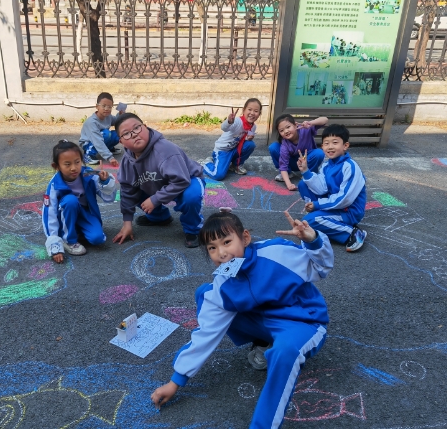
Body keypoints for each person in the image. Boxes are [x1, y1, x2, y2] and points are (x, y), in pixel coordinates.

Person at [151, 209, 333, 428]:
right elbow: (207, 333)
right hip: (266, 322)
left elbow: (321, 267)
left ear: (245, 238)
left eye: (227, 242)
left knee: (285, 352)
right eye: (212, 248)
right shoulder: (224, 281)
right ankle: (264, 342)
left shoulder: (276, 253)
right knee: (206, 295)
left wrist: (313, 241)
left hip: (303, 321)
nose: (221, 253)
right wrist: (176, 381)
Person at [112, 113, 205, 248]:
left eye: (137, 128)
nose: (134, 135)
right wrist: (127, 223)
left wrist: (155, 199)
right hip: (158, 184)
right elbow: (127, 191)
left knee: (191, 196)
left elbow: (181, 181)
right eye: (126, 134)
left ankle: (193, 230)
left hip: (187, 181)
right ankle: (160, 217)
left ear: (145, 127)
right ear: (121, 142)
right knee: (135, 191)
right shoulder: (127, 161)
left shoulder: (165, 149)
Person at [42, 140, 117, 263]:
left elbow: (108, 198)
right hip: (65, 216)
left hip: (85, 214)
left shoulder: (88, 174)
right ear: (56, 166)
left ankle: (77, 231)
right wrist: (55, 244)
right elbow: (49, 214)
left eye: (77, 162)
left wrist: (105, 181)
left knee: (98, 239)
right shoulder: (55, 185)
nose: (73, 168)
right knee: (70, 201)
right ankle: (68, 240)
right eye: (67, 164)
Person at [297, 124, 367, 252]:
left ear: (345, 145)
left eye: (335, 143)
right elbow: (321, 189)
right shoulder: (326, 165)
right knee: (303, 184)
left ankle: (352, 232)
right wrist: (306, 171)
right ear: (322, 146)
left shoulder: (350, 167)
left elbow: (345, 199)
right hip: (335, 206)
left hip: (348, 211)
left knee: (309, 221)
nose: (330, 147)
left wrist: (317, 205)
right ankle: (320, 218)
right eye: (326, 143)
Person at [202, 98, 262, 180]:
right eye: (249, 109)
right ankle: (206, 163)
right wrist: (229, 121)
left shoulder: (253, 127)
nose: (252, 113)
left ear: (259, 114)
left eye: (256, 111)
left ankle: (236, 165)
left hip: (234, 149)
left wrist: (247, 138)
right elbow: (224, 128)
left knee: (250, 145)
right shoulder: (237, 121)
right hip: (222, 151)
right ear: (244, 110)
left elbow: (241, 138)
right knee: (218, 175)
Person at [269, 114, 328, 191]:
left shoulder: (306, 130)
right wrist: (289, 184)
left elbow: (325, 119)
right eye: (281, 130)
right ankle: (288, 174)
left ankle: (309, 174)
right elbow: (283, 166)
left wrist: (311, 123)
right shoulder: (285, 144)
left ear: (295, 125)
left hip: (307, 162)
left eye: (288, 127)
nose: (286, 131)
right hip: (294, 163)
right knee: (273, 147)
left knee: (319, 153)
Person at [79, 92, 126, 166]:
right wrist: (109, 157)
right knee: (106, 133)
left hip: (100, 138)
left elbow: (117, 122)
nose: (106, 109)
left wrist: (120, 115)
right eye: (103, 106)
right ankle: (88, 154)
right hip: (88, 143)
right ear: (97, 106)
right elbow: (97, 140)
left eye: (109, 107)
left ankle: (108, 149)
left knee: (119, 132)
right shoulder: (92, 122)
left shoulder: (108, 116)